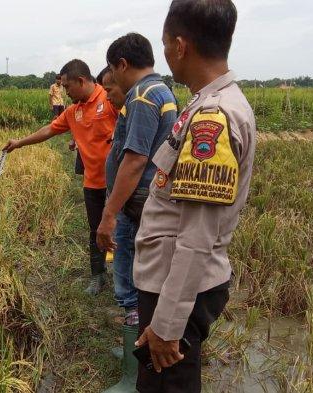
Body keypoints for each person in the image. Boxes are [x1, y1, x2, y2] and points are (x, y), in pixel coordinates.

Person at [132, 1, 256, 392]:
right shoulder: (207, 101)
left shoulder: (213, 117)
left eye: (166, 44)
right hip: (176, 282)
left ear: (181, 46)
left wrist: (167, 326)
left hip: (177, 286)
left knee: (168, 386)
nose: (165, 53)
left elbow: (197, 235)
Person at [96, 33, 178, 393]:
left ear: (122, 65)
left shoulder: (143, 96)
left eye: (113, 70)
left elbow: (135, 159)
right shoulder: (161, 91)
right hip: (146, 201)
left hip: (137, 203)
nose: (112, 79)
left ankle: (134, 375)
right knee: (138, 282)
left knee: (133, 284)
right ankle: (134, 354)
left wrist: (109, 214)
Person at [4, 59, 118, 295]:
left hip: (119, 183)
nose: (65, 92)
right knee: (95, 229)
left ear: (81, 80)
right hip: (93, 181)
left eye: (67, 87)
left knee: (124, 229)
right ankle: (98, 275)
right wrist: (19, 143)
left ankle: (128, 277)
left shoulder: (109, 99)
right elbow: (48, 130)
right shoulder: (73, 111)